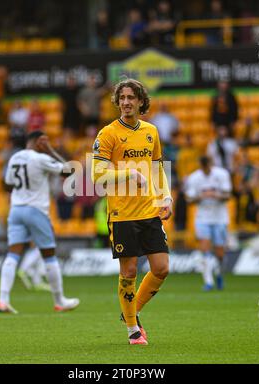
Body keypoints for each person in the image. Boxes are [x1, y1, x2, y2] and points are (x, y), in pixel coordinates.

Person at [91, 78, 173, 345]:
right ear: (117, 102)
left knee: (161, 268)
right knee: (128, 273)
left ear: (140, 102)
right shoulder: (108, 134)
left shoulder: (151, 131)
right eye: (122, 98)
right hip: (122, 214)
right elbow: (96, 174)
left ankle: (131, 312)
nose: (126, 102)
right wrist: (129, 173)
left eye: (131, 98)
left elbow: (157, 167)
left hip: (149, 210)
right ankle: (132, 330)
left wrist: (166, 196)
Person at [0, 130, 80, 314]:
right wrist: (50, 151)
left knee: (13, 254)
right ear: (38, 142)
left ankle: (3, 300)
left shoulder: (15, 157)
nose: (47, 144)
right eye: (45, 141)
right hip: (36, 210)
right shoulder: (40, 158)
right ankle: (59, 301)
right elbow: (69, 170)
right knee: (49, 254)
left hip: (16, 209)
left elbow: (7, 183)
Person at [185, 155, 232, 291]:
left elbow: (228, 195)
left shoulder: (222, 174)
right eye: (203, 166)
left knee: (220, 254)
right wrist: (200, 197)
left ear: (211, 163)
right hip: (203, 218)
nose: (205, 168)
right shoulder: (194, 178)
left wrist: (215, 195)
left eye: (207, 165)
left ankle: (218, 274)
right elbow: (189, 199)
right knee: (204, 248)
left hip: (220, 218)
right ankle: (208, 281)